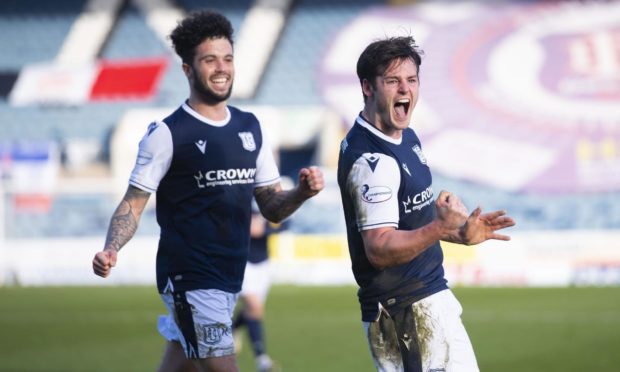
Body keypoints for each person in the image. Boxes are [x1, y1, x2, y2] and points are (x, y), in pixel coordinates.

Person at [92, 10, 324, 372]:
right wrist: (111, 248)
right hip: (192, 277)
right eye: (210, 60)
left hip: (229, 275)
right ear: (187, 69)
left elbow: (272, 207)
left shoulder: (251, 127)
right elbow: (133, 204)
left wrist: (302, 194)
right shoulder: (167, 134)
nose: (222, 68)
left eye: (228, 58)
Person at [336, 36, 516, 372]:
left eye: (412, 80)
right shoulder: (371, 159)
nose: (405, 89)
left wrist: (458, 232)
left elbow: (408, 218)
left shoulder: (406, 137)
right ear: (367, 87)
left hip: (430, 298)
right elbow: (378, 248)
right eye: (392, 81)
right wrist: (439, 227)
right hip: (404, 310)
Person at [232, 199, 283, 372]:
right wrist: (246, 228)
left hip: (263, 264)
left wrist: (265, 228)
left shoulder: (270, 195)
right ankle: (262, 359)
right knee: (254, 306)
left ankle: (233, 328)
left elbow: (286, 222)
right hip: (242, 262)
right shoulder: (240, 192)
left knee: (252, 309)